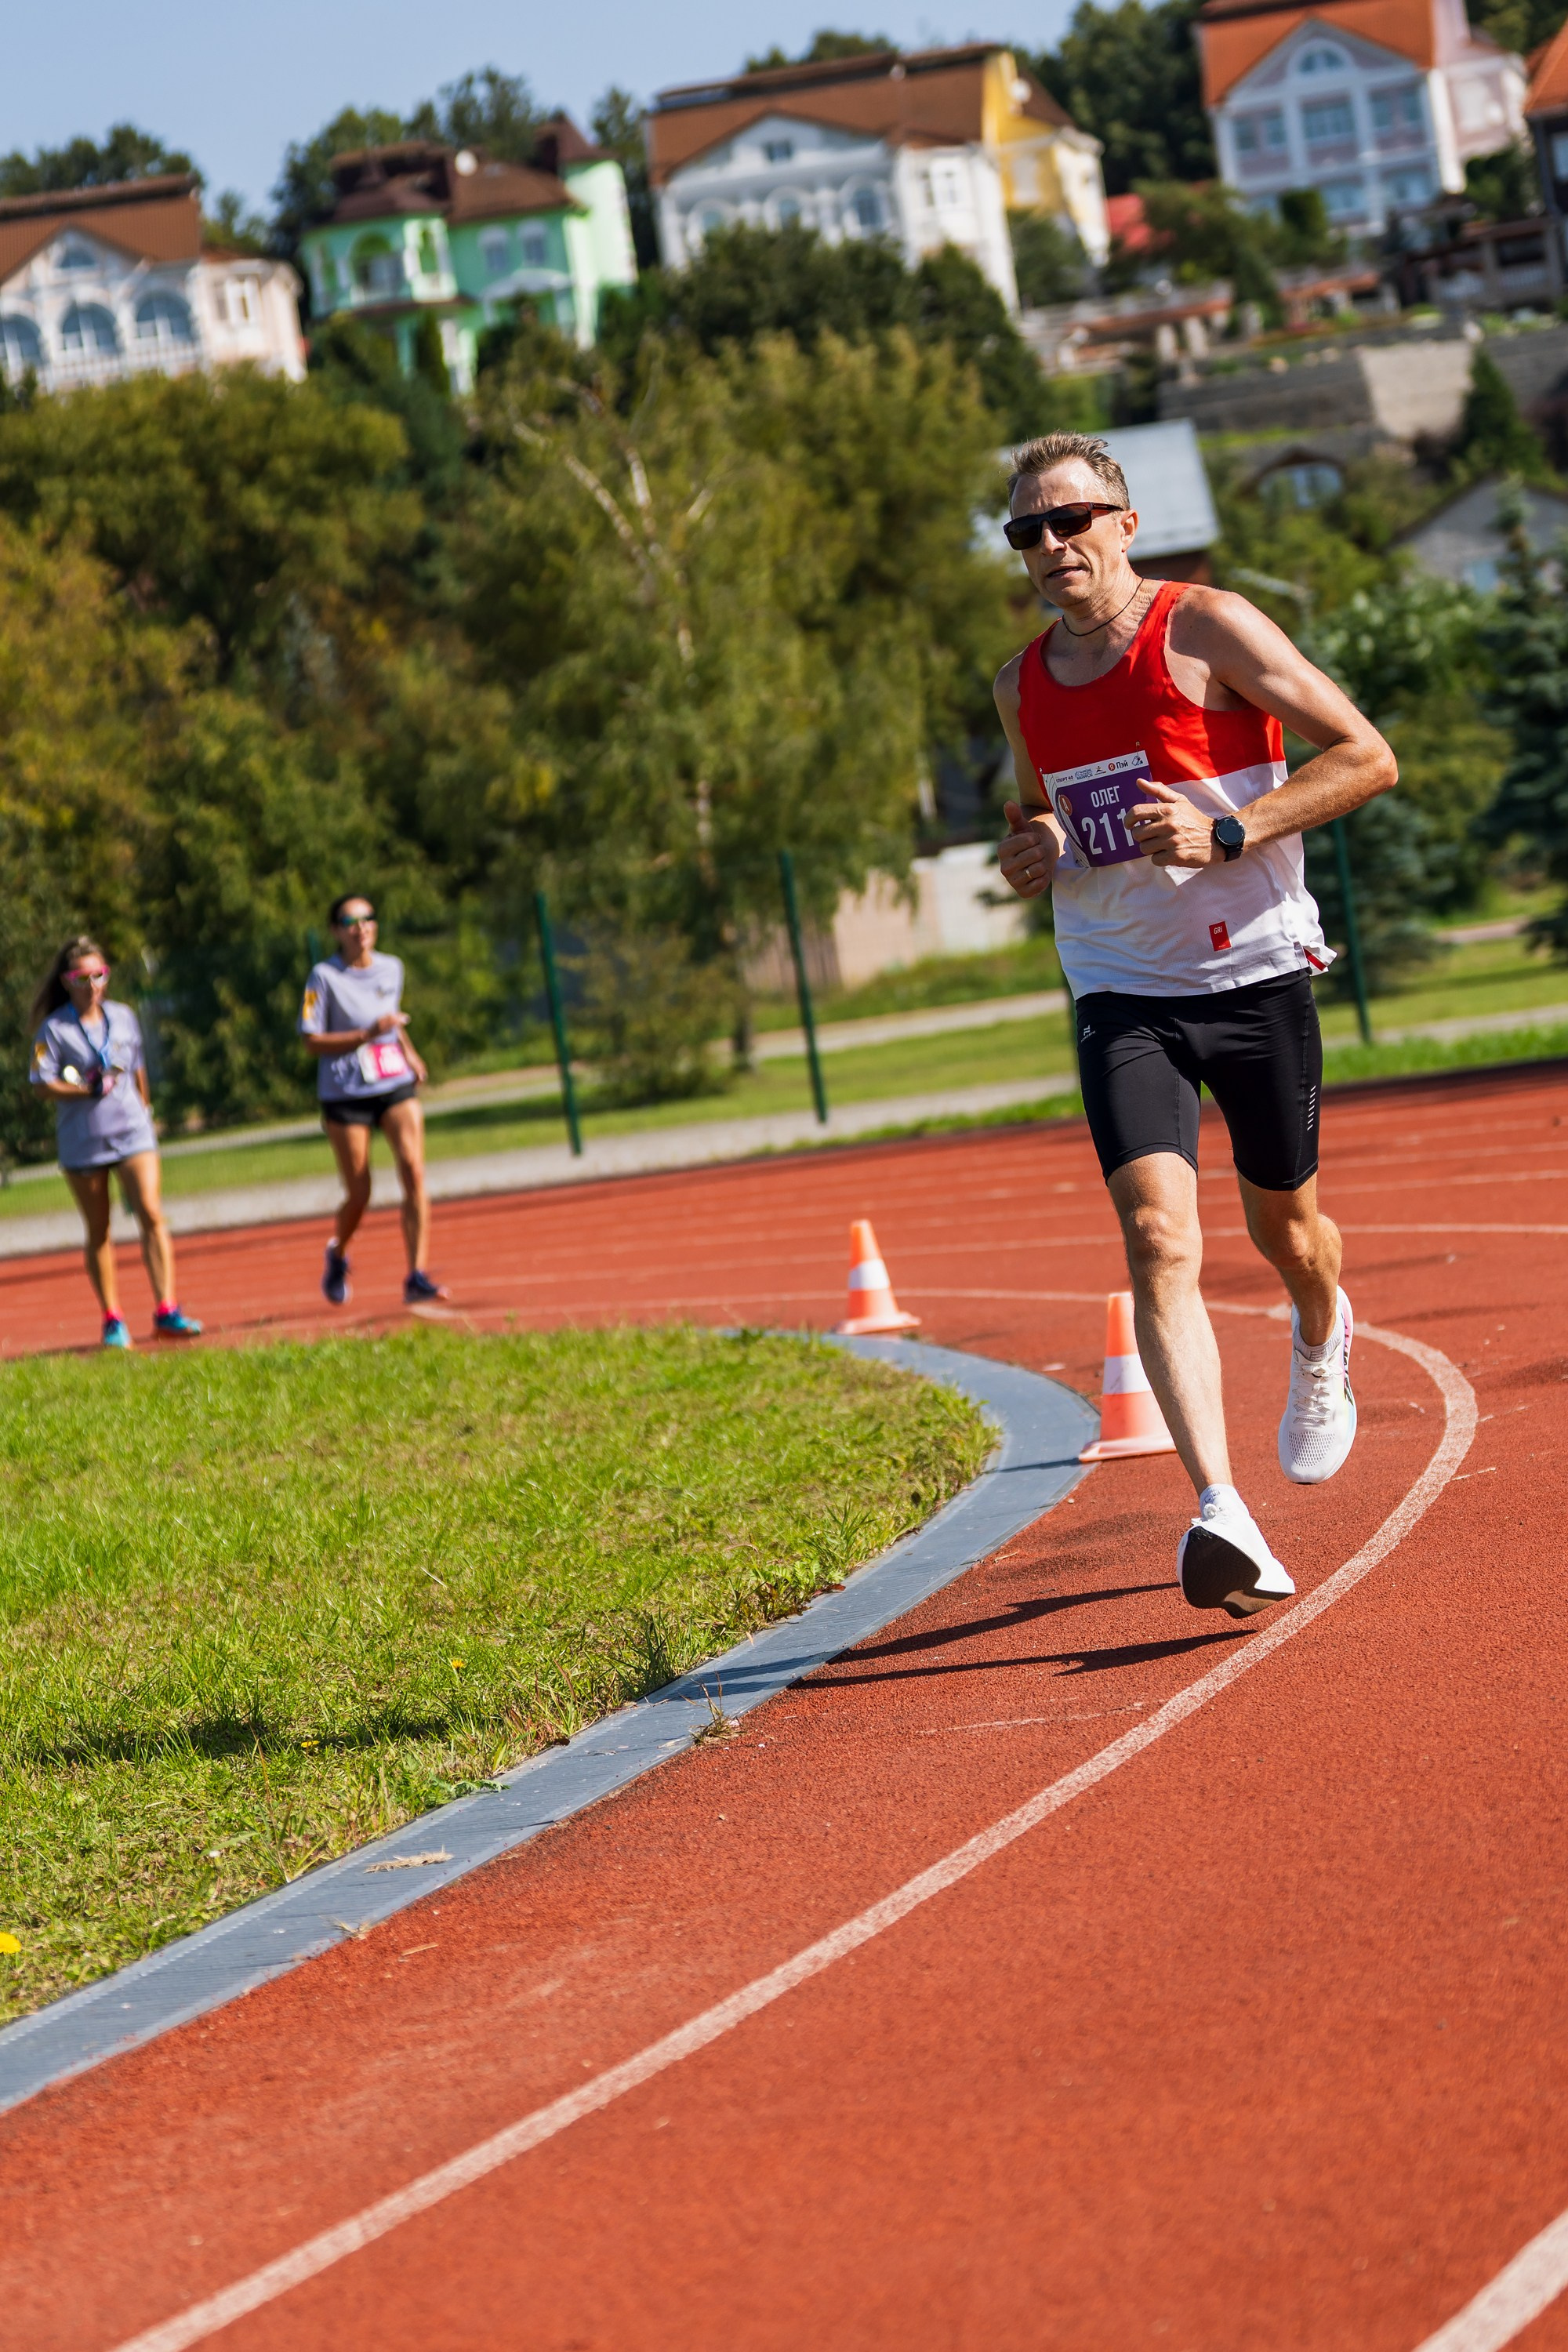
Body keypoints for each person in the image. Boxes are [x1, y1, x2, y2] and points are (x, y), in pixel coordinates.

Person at [994, 432, 1396, 1620]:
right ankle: (1222, 1509)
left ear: (1124, 520)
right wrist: (1035, 849)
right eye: (1027, 531)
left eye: (1070, 520)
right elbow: (1042, 813)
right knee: (1161, 1242)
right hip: (1121, 986)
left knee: (1292, 1235)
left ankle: (1321, 1328)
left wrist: (1231, 830)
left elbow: (1367, 756)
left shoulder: (1207, 626)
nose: (1051, 546)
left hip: (1258, 974)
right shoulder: (1018, 682)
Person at [29, 938, 203, 1350]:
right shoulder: (53, 1029)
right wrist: (83, 1090)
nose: (91, 984)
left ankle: (167, 1309)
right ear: (67, 982)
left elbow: (138, 1067)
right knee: (100, 1229)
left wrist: (147, 1110)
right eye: (81, 977)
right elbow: (41, 1083)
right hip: (84, 1142)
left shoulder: (124, 1017)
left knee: (152, 1213)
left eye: (99, 975)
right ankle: (112, 1318)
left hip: (133, 1133)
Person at [299, 895, 447, 1308]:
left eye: (367, 919)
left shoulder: (392, 967)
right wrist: (365, 1035)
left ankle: (416, 1274)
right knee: (360, 1191)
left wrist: (410, 1051)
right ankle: (338, 1252)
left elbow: (391, 1018)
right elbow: (311, 1041)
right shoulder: (323, 977)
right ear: (335, 930)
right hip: (345, 1093)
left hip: (393, 1081)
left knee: (414, 1169)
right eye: (350, 921)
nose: (360, 927)